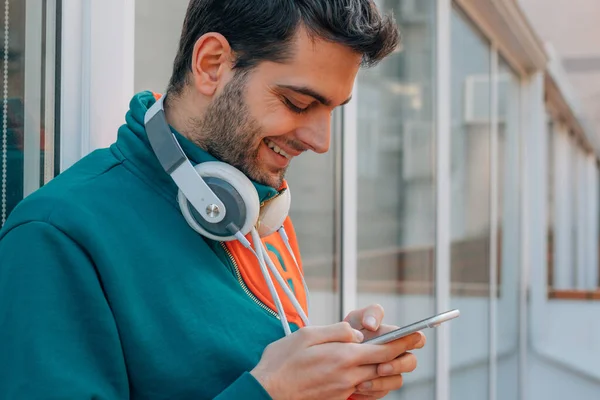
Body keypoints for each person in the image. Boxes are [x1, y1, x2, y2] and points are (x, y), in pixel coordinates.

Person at [0, 1, 426, 399]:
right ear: (211, 64)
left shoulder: (258, 213)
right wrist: (268, 392)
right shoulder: (55, 236)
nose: (321, 141)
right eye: (298, 103)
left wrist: (334, 372)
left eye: (332, 109)